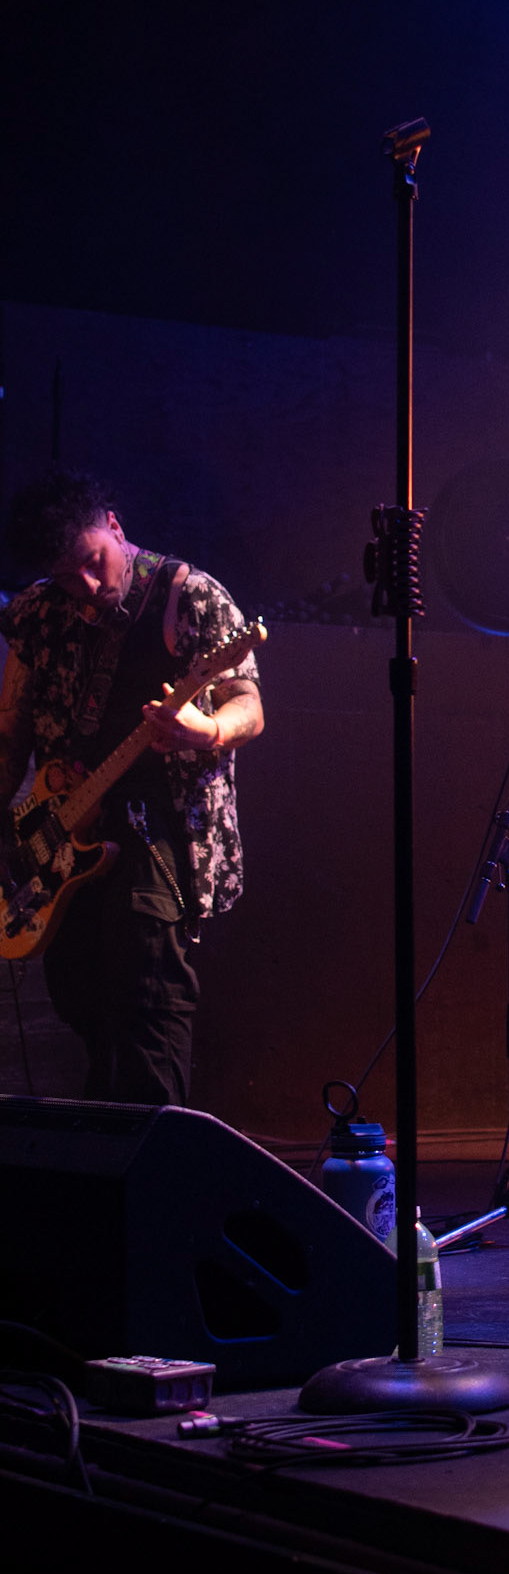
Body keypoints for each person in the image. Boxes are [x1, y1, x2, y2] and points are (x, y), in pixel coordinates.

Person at [0, 473, 263, 1105]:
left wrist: (206, 730)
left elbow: (250, 706)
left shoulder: (187, 596)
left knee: (149, 996)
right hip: (62, 834)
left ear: (115, 527)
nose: (89, 586)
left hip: (159, 827)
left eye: (94, 561)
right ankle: (109, 1140)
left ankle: (159, 1150)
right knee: (78, 992)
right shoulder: (36, 613)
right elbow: (10, 732)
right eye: (68, 578)